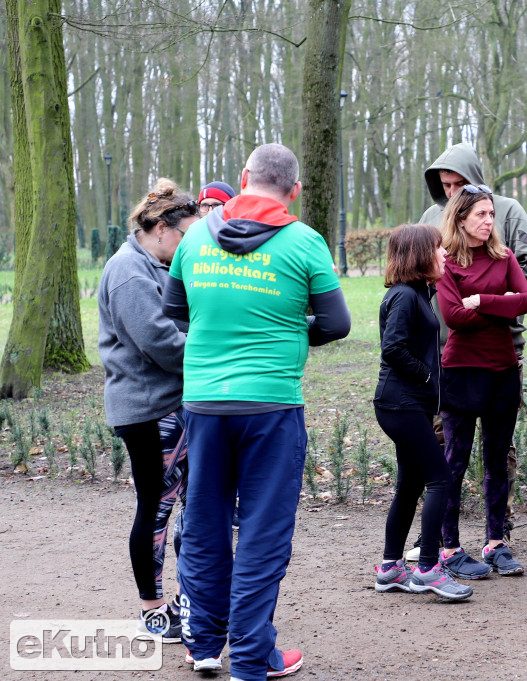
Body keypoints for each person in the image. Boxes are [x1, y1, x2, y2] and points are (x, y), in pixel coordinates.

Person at [163, 143, 351, 679]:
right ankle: (250, 659)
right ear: (293, 190)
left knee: (203, 524)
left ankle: (204, 643)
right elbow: (336, 324)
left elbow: (175, 312)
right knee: (263, 533)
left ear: (244, 178)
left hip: (202, 402)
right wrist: (287, 329)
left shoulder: (195, 237)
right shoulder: (305, 242)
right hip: (270, 404)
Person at [417, 143, 527, 543]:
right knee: (444, 448)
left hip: (503, 352)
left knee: (498, 452)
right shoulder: (432, 221)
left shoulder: (507, 213)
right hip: (449, 356)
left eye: (459, 183)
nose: (451, 191)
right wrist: (495, 303)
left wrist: (489, 301)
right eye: (445, 185)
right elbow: (439, 299)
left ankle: (497, 529)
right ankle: (437, 534)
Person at [99, 179, 197, 644]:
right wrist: (212, 357)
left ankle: (183, 598)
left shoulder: (154, 265)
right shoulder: (129, 273)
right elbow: (160, 342)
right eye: (185, 236)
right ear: (160, 228)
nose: (188, 246)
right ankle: (153, 612)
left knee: (186, 506)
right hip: (146, 411)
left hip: (172, 405)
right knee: (155, 509)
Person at [435, 185, 527, 579]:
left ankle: (496, 543)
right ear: (460, 218)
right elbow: (453, 317)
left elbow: (525, 301)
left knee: (496, 461)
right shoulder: (445, 263)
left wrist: (482, 302)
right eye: (480, 214)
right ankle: (449, 547)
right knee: (454, 462)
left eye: (491, 214)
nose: (489, 221)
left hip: (502, 371)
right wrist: (500, 306)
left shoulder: (504, 255)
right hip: (460, 371)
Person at [372, 224, 472, 601]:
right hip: (401, 403)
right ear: (419, 254)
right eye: (438, 249)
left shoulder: (417, 293)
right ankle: (428, 567)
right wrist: (429, 374)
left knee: (411, 485)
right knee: (440, 479)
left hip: (407, 403)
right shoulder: (404, 297)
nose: (444, 254)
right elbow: (393, 348)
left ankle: (390, 567)